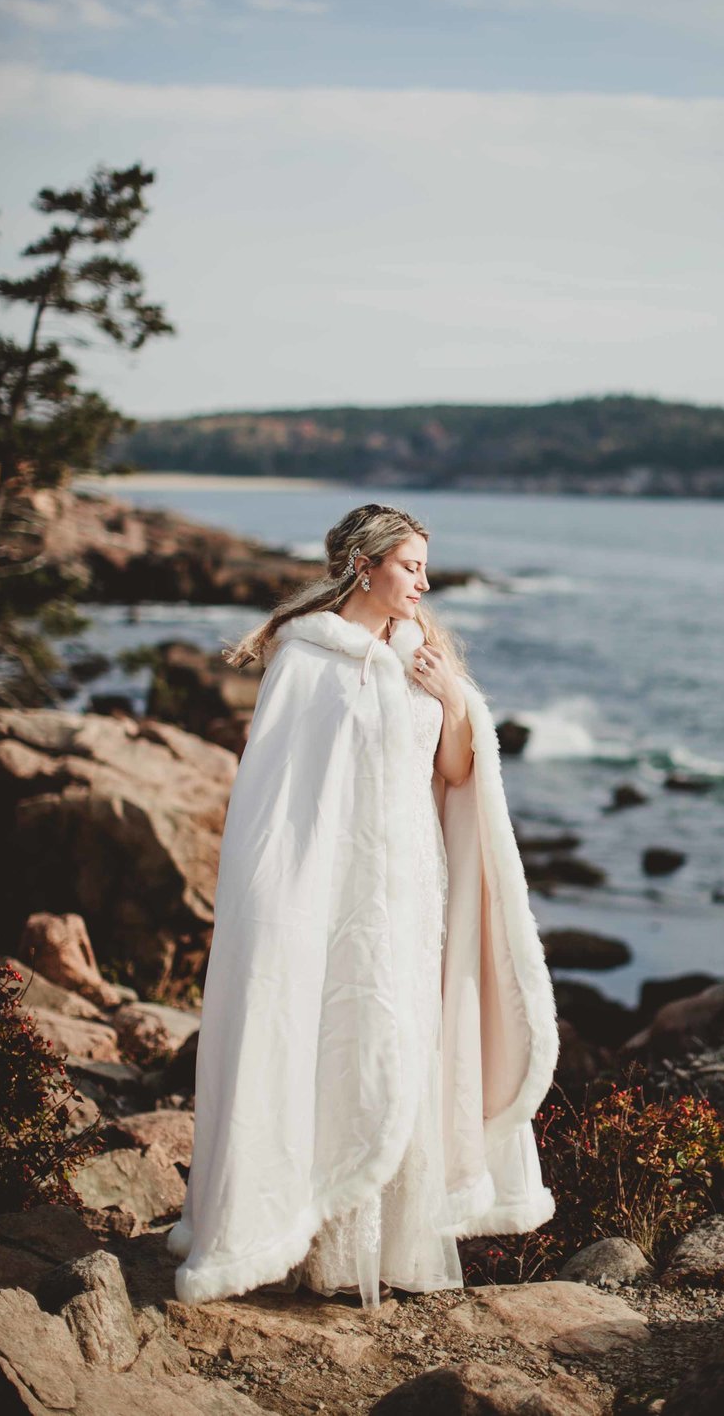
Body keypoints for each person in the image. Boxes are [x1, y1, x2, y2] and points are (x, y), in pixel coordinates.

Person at [167, 503, 559, 1309]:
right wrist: (277, 903)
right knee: (337, 1040)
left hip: (415, 889)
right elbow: (276, 800)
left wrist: (453, 699)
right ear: (363, 566)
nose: (423, 579)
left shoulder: (425, 655)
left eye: (424, 565)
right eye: (410, 564)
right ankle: (310, 1238)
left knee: (405, 1043)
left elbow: (453, 774)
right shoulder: (306, 661)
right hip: (336, 891)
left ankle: (383, 1247)